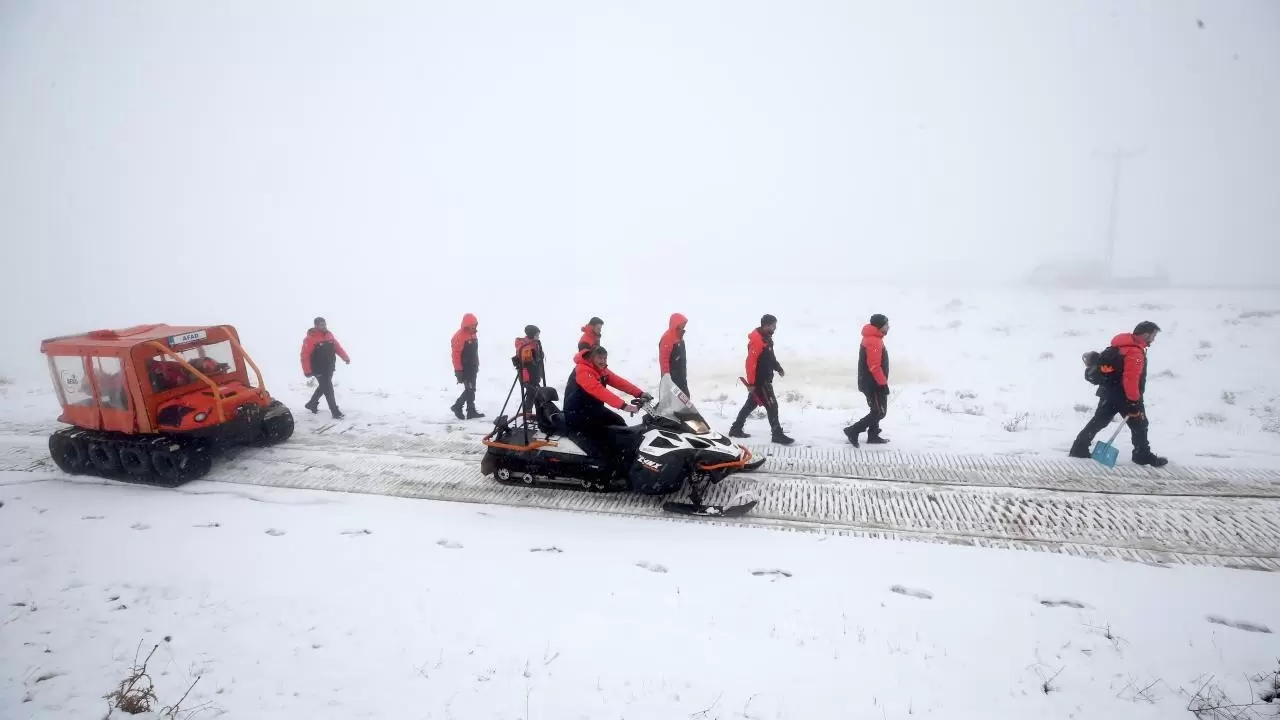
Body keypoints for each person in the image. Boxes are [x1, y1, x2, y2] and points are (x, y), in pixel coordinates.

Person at [1070, 321, 1168, 467]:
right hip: (1126, 396)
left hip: (1109, 393)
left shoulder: (1119, 346)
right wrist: (1133, 402)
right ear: (1145, 334)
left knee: (1099, 421)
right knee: (1140, 425)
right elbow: (1130, 379)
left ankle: (1079, 447)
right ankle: (1142, 455)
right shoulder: (1134, 352)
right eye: (1153, 335)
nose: (1153, 339)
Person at [564, 346, 650, 472]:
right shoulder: (583, 371)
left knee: (619, 423)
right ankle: (609, 467)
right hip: (577, 414)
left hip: (593, 410)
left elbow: (619, 382)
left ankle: (626, 457)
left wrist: (640, 393)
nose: (603, 361)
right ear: (591, 358)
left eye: (605, 358)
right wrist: (624, 406)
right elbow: (599, 391)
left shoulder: (601, 369)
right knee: (605, 438)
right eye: (600, 358)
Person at [729, 314, 794, 445]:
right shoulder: (757, 341)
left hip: (764, 379)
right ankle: (777, 434)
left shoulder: (767, 339)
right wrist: (752, 383)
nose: (775, 328)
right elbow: (750, 364)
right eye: (773, 326)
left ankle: (736, 429)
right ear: (765, 326)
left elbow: (771, 358)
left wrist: (778, 368)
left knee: (750, 405)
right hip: (760, 382)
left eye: (775, 325)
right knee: (772, 406)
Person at [843, 314, 891, 447]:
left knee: (876, 410)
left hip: (872, 381)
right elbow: (874, 366)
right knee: (879, 412)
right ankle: (853, 430)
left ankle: (873, 435)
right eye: (886, 324)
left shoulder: (874, 338)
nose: (888, 327)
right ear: (880, 326)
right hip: (873, 383)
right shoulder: (874, 341)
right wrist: (882, 384)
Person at [301, 316, 350, 419]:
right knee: (328, 389)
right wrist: (307, 371)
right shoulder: (310, 339)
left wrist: (345, 358)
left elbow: (338, 348)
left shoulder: (329, 335)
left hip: (329, 367)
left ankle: (311, 403)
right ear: (316, 325)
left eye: (325, 324)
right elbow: (304, 356)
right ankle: (335, 412)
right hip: (318, 369)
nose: (324, 326)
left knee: (324, 387)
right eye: (321, 325)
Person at [450, 313, 484, 420]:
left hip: (473, 366)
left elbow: (474, 352)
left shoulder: (473, 335)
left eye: (475, 325)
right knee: (470, 389)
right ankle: (457, 406)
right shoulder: (459, 336)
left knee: (471, 389)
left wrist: (477, 363)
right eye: (471, 325)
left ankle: (471, 411)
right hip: (465, 368)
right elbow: (455, 355)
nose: (474, 327)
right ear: (466, 325)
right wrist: (458, 370)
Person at [514, 324, 545, 414]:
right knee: (535, 392)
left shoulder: (535, 344)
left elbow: (537, 359)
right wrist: (526, 380)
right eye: (537, 335)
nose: (538, 337)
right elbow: (526, 365)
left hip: (533, 375)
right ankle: (529, 412)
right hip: (527, 376)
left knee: (533, 393)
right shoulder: (525, 346)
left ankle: (530, 412)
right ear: (532, 335)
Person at [658, 313, 689, 395]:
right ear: (676, 323)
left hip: (681, 376)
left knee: (685, 397)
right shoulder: (667, 338)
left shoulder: (679, 336)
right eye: (683, 323)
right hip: (672, 378)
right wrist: (666, 375)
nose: (684, 325)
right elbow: (663, 359)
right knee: (673, 399)